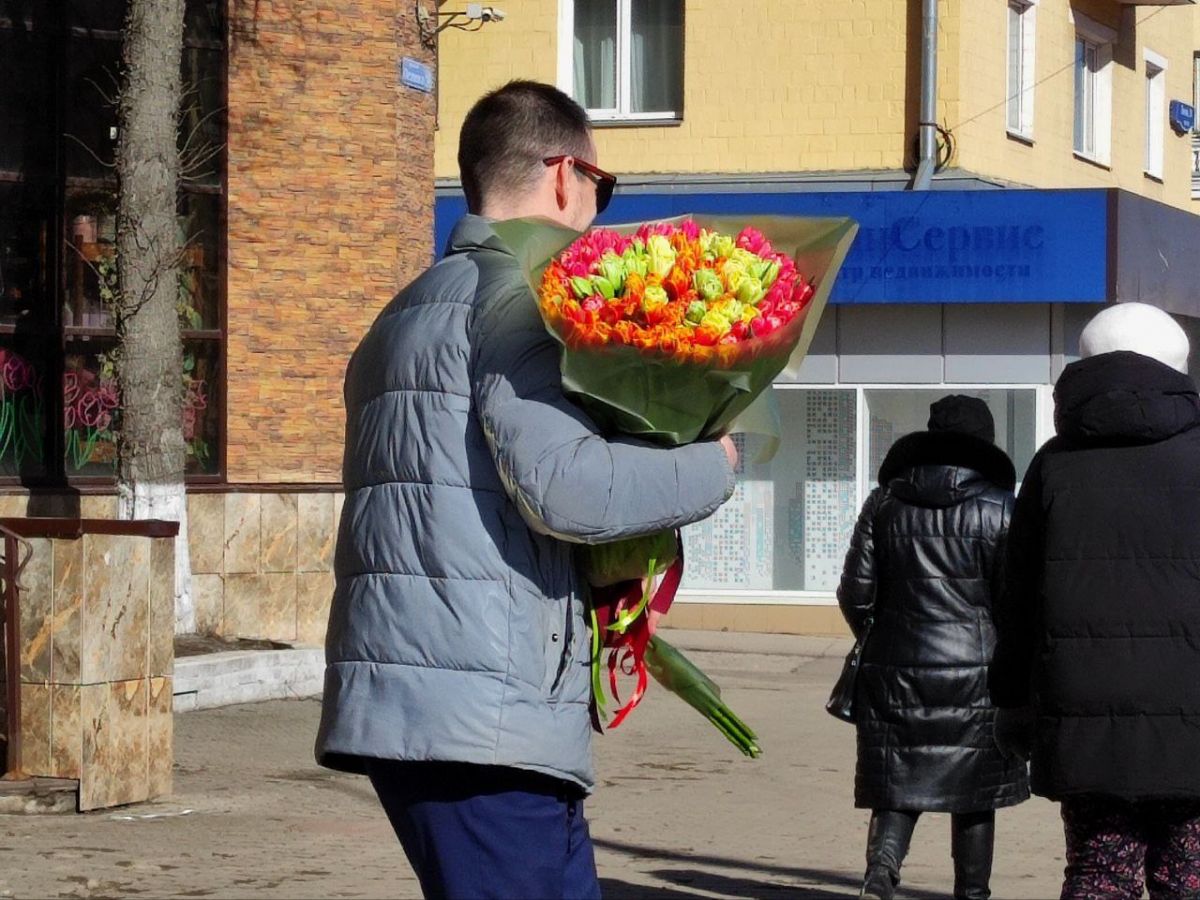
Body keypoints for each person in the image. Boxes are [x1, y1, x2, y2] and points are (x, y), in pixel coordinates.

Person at [313, 80, 738, 900]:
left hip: (421, 703)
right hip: (484, 717)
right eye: (601, 189)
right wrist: (715, 462)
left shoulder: (403, 313)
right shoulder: (518, 303)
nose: (598, 213)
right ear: (561, 175)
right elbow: (566, 488)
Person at [991, 302, 1200, 900]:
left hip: (1083, 717)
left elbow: (1018, 600)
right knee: (1188, 876)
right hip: (1192, 716)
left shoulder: (1055, 465)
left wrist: (1010, 704)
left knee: (1098, 877)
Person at [837, 395, 1030, 900]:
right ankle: (972, 893)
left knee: (897, 782)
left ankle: (880, 876)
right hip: (978, 675)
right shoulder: (1002, 509)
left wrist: (880, 638)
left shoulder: (883, 503)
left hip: (894, 670)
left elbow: (854, 593)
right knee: (975, 793)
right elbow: (1016, 602)